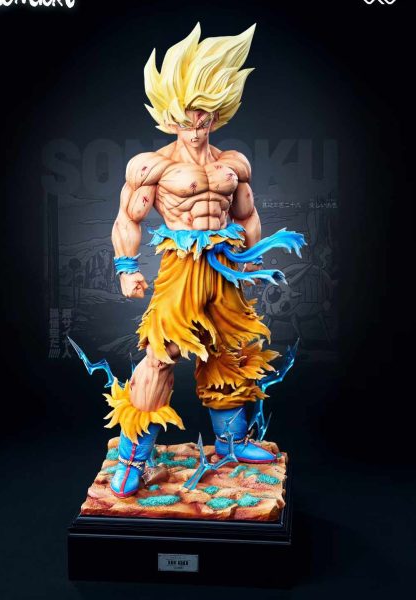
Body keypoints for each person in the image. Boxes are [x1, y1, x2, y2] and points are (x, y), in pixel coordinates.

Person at [108, 23, 305, 497]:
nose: (196, 128)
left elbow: (248, 215)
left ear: (218, 113)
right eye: (186, 119)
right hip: (181, 270)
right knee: (161, 356)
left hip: (227, 266)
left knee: (230, 350)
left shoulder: (232, 163)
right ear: (169, 116)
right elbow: (127, 218)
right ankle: (133, 457)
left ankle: (232, 443)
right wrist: (126, 268)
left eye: (204, 117)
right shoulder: (152, 165)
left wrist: (250, 263)